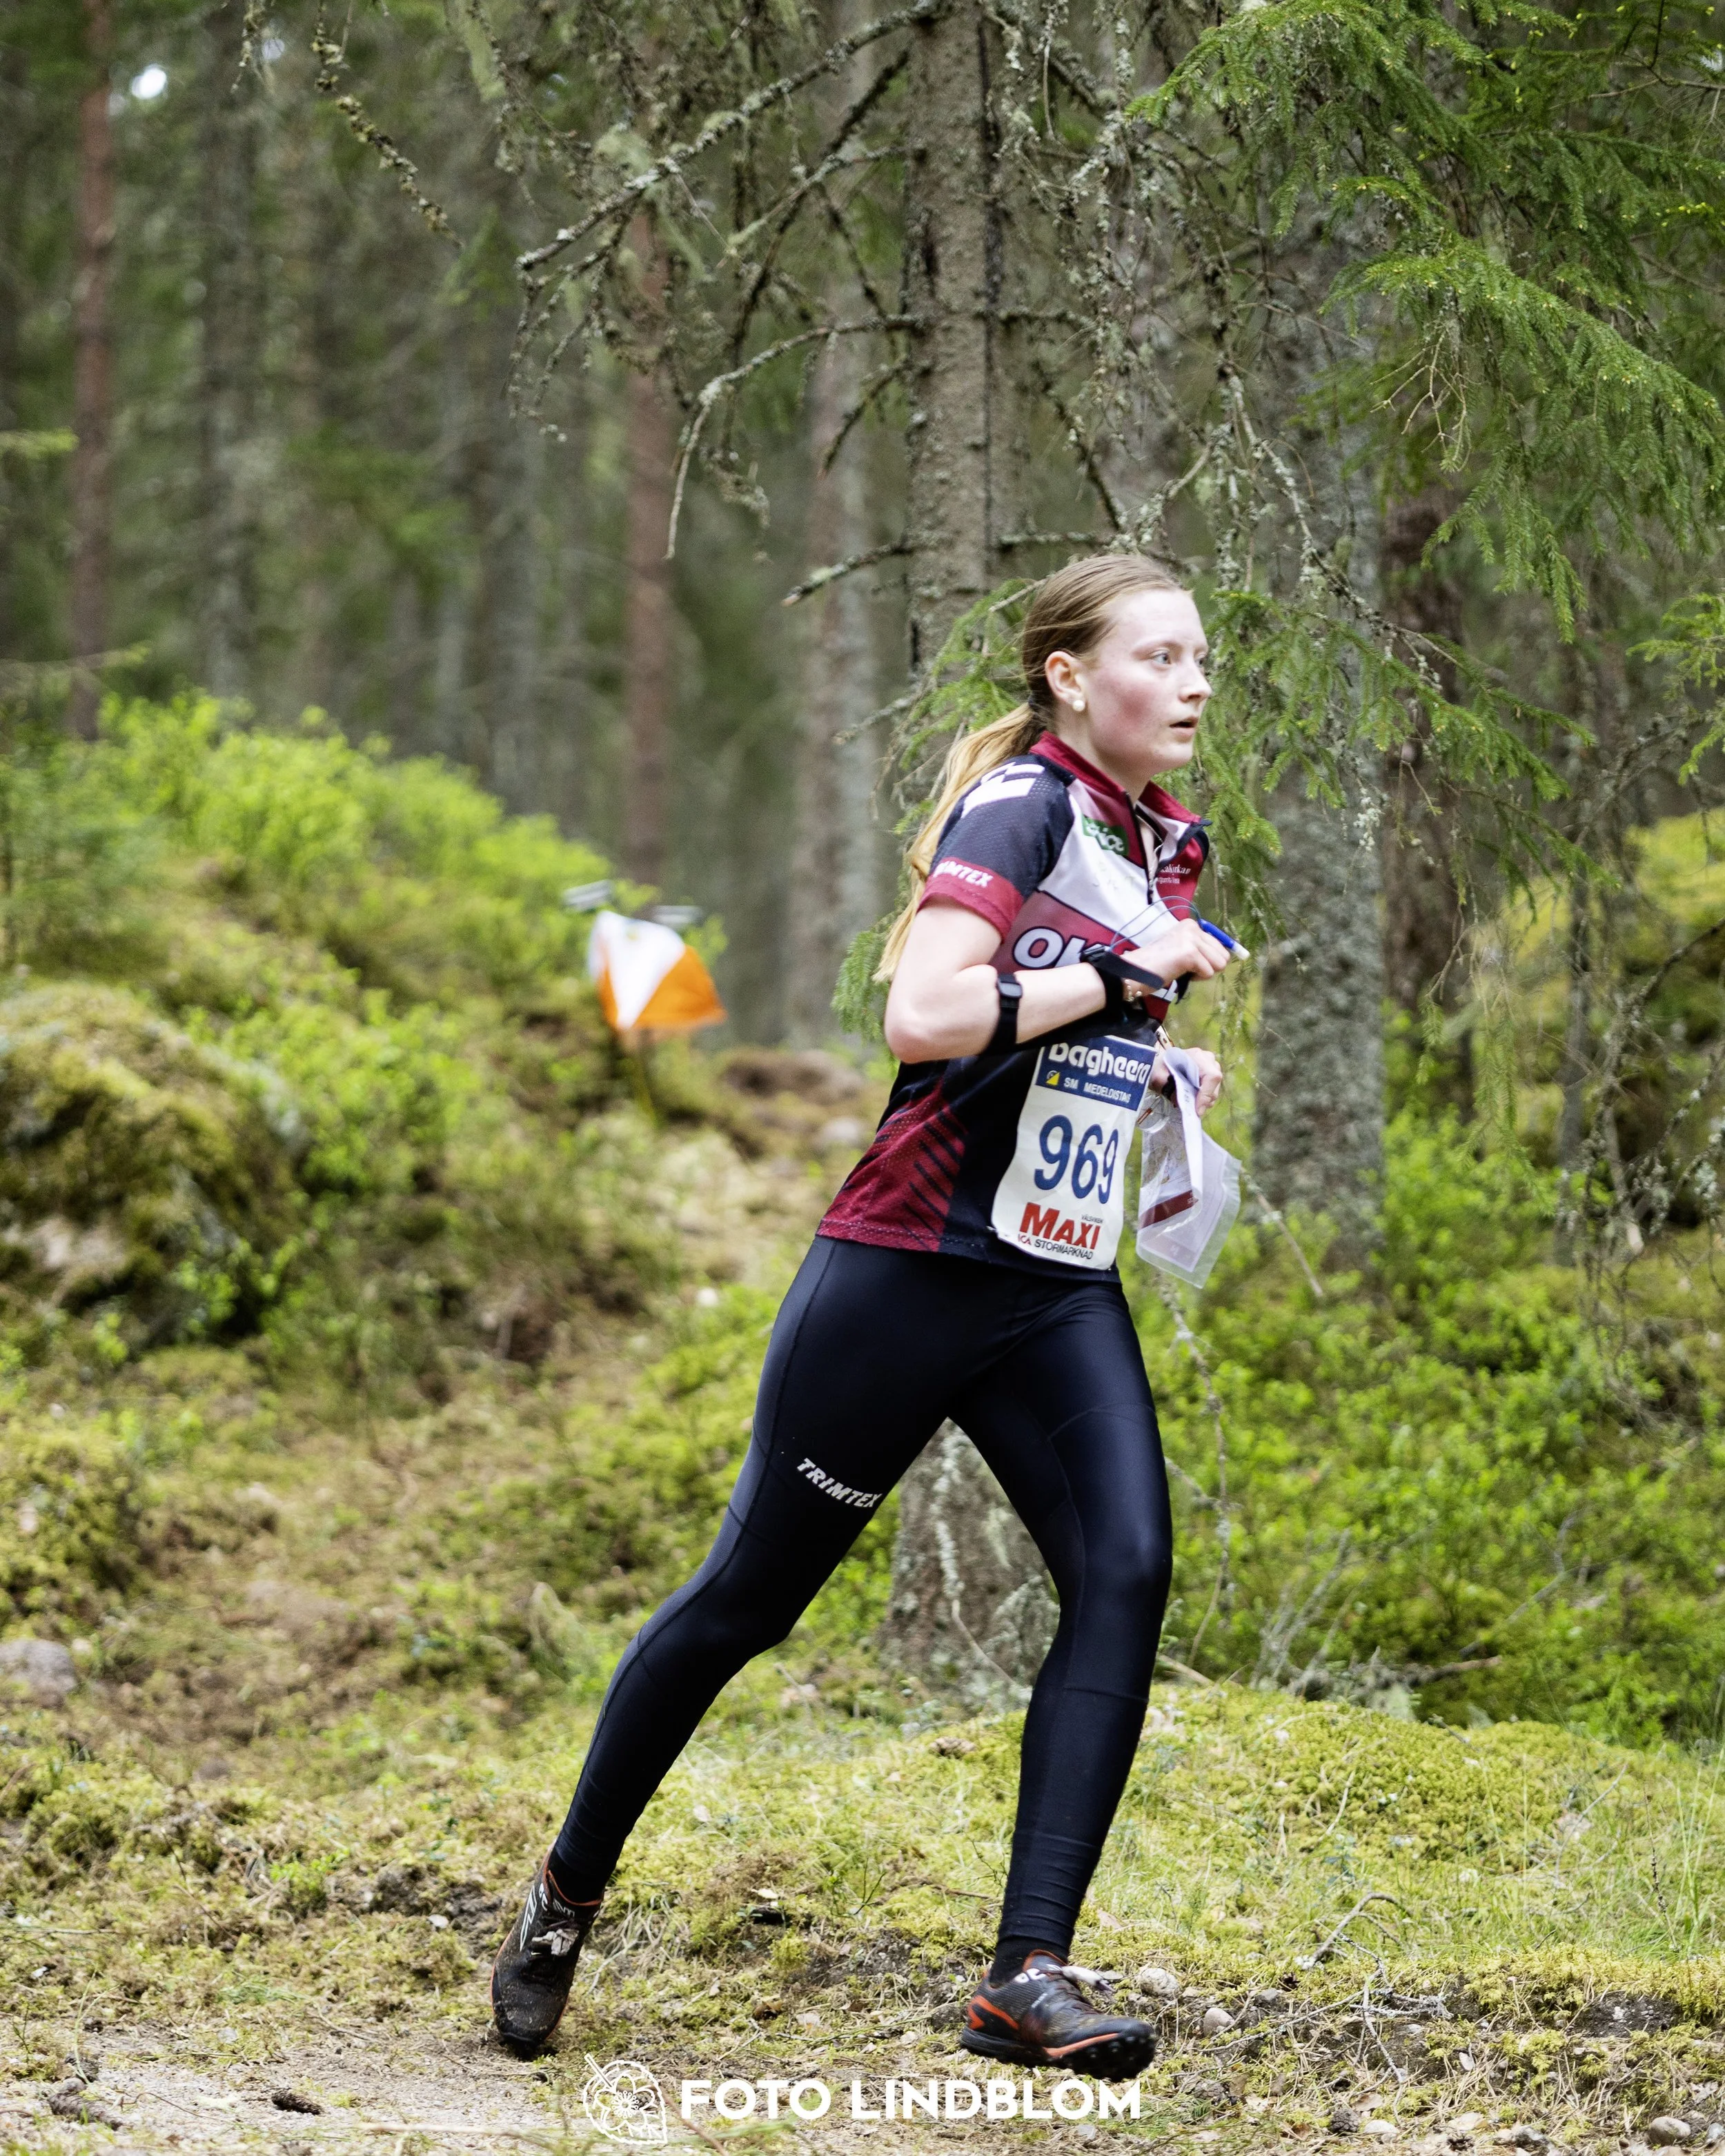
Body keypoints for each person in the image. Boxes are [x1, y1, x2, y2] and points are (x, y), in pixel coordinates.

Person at [491, 553, 1237, 2077]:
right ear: (1067, 677)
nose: (1191, 681)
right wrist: (1117, 981)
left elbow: (1046, 1031)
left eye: (1197, 657)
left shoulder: (1162, 839)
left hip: (1049, 1282)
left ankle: (1024, 1971)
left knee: (1125, 1569)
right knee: (745, 1603)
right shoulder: (1015, 807)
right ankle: (565, 1891)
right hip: (903, 1271)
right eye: (1156, 655)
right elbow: (924, 1014)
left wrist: (1151, 1063)